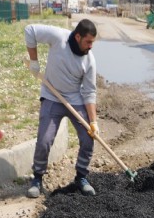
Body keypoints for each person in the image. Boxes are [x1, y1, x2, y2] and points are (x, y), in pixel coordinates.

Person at [25, 19, 99, 198]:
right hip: (52, 96)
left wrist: (93, 122)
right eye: (88, 42)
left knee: (89, 139)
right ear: (78, 36)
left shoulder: (89, 61)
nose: (90, 46)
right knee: (44, 140)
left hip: (75, 99)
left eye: (93, 42)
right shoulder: (59, 38)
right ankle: (37, 178)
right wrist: (34, 61)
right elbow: (30, 30)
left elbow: (89, 93)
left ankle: (81, 177)